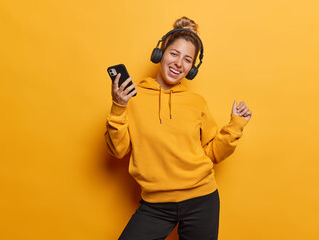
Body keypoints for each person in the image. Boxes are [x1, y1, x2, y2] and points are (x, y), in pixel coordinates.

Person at [105, 16, 252, 240]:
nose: (178, 64)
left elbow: (212, 152)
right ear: (160, 54)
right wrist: (119, 107)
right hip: (155, 205)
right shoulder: (132, 97)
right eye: (174, 54)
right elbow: (118, 150)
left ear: (192, 68)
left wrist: (235, 126)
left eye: (187, 60)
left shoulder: (196, 102)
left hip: (202, 199)